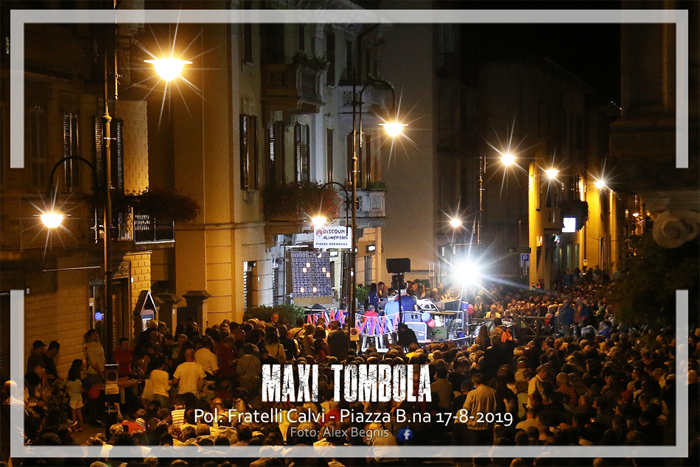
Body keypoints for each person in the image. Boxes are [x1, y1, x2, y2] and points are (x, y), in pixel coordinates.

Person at [462, 372, 497, 445]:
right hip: (488, 426)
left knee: (475, 451)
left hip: (474, 426)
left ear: (475, 383)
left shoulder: (472, 393)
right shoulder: (493, 392)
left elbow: (466, 409)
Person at [65, 366, 84, 431]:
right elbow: (81, 390)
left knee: (74, 414)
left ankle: (74, 427)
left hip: (73, 399)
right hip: (79, 398)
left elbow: (66, 391)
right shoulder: (78, 381)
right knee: (79, 413)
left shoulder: (69, 383)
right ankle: (81, 427)